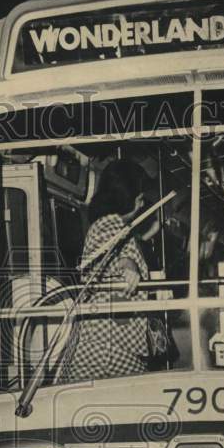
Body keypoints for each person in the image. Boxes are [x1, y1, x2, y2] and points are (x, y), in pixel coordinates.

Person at [59, 159, 157, 382]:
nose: (142, 204)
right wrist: (129, 267)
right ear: (126, 197)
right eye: (140, 198)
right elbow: (121, 254)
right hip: (109, 346)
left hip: (105, 340)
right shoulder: (110, 225)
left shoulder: (107, 225)